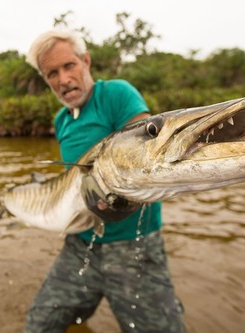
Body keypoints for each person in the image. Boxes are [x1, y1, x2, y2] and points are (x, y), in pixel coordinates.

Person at [24, 29, 185, 333]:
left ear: (85, 61)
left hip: (133, 249)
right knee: (38, 325)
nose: (63, 80)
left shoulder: (116, 94)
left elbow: (147, 151)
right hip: (80, 245)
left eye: (69, 66)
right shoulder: (61, 120)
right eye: (52, 74)